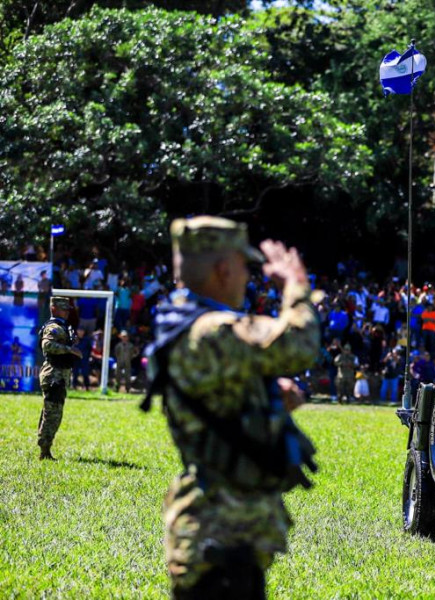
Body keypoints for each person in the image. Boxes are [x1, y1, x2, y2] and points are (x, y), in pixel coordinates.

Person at [142, 216, 320, 598]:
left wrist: (266, 395)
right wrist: (296, 286)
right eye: (244, 265)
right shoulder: (211, 330)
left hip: (223, 532)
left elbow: (221, 405)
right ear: (223, 269)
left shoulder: (187, 322)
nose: (249, 277)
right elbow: (299, 343)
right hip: (219, 538)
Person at [37, 297, 82, 460]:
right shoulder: (54, 327)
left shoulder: (63, 326)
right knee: (52, 414)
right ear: (54, 308)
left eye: (68, 309)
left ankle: (45, 447)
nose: (67, 312)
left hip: (59, 374)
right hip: (53, 375)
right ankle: (44, 451)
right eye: (64, 308)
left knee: (54, 412)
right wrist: (70, 349)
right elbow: (47, 345)